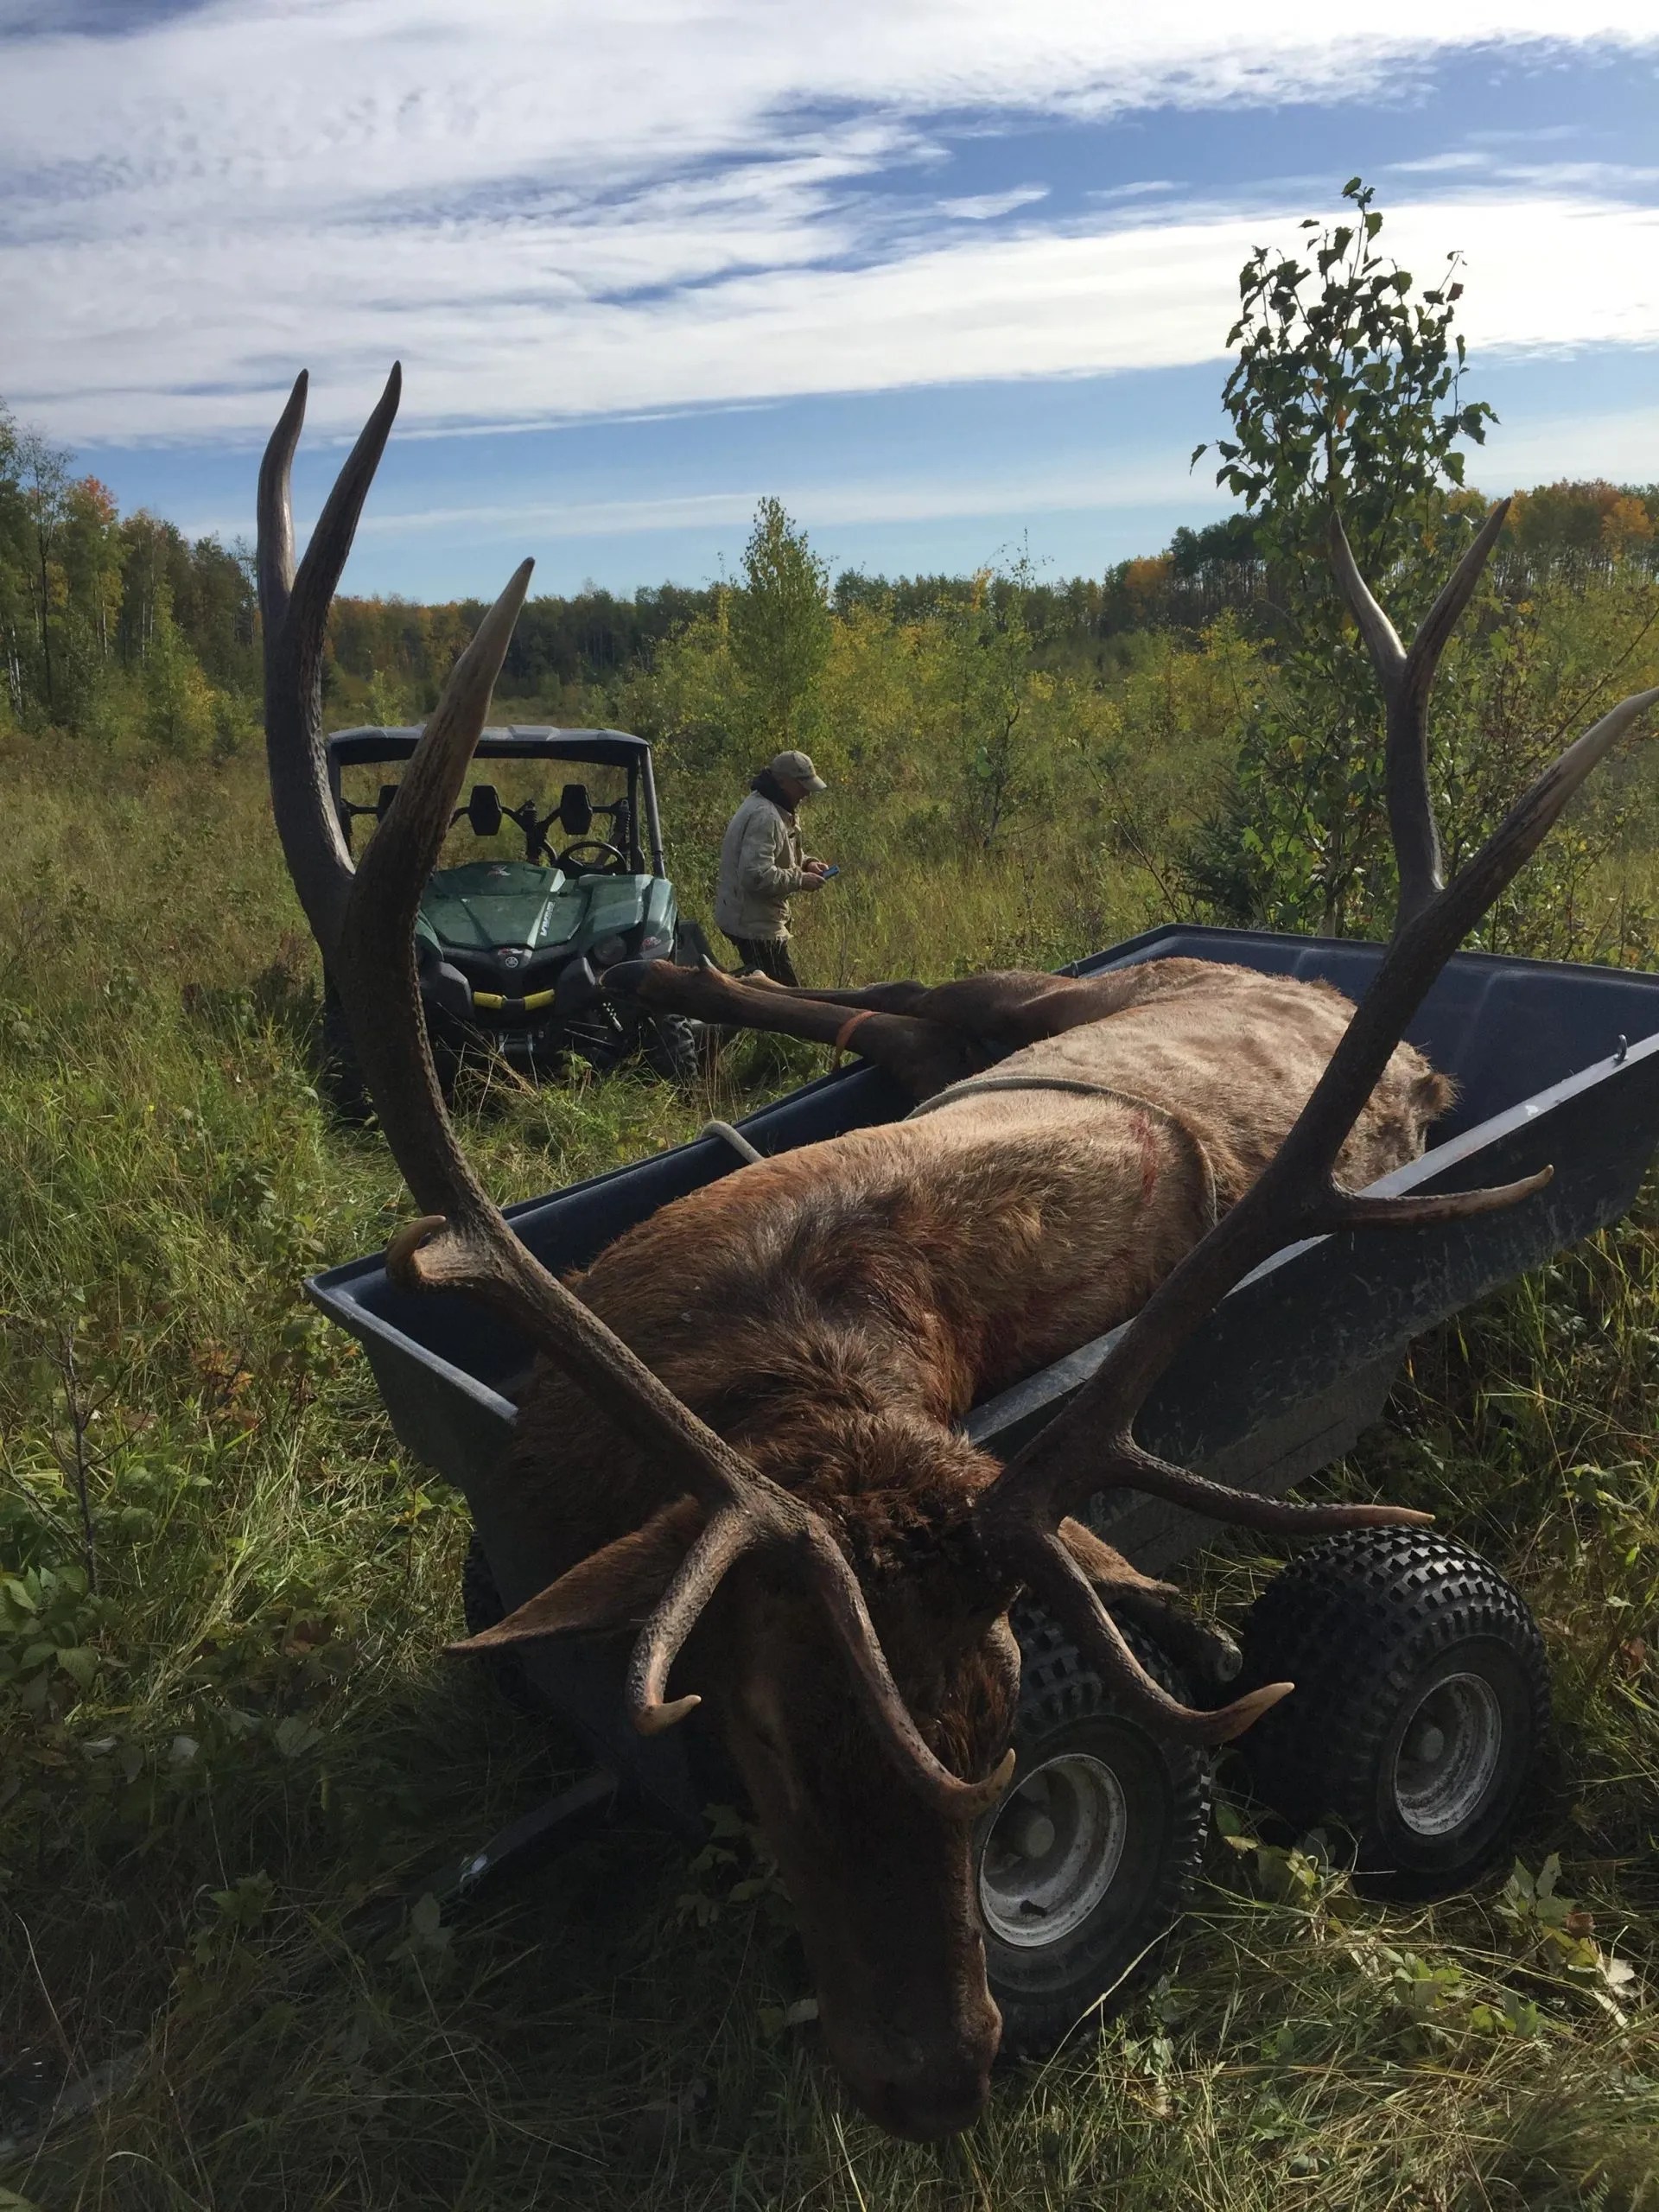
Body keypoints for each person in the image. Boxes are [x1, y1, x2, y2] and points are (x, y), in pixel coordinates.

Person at [714, 748, 830, 985]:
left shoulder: (773, 806)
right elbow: (755, 875)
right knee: (788, 1000)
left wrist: (807, 863)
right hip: (752, 925)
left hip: (752, 918)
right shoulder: (765, 816)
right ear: (783, 782)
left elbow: (776, 854)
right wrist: (800, 880)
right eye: (802, 785)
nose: (807, 793)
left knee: (763, 992)